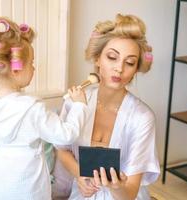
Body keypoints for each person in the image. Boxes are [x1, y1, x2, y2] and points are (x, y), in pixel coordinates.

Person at [0, 17, 88, 200]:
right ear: (16, 69)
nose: (34, 68)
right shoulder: (32, 108)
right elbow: (66, 135)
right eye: (31, 63)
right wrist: (79, 105)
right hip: (28, 180)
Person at [56, 14, 160, 200]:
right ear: (97, 59)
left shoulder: (142, 117)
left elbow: (129, 193)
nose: (119, 68)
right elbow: (62, 148)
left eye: (129, 63)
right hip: (83, 193)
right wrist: (80, 175)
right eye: (112, 57)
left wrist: (116, 187)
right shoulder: (76, 101)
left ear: (136, 69)